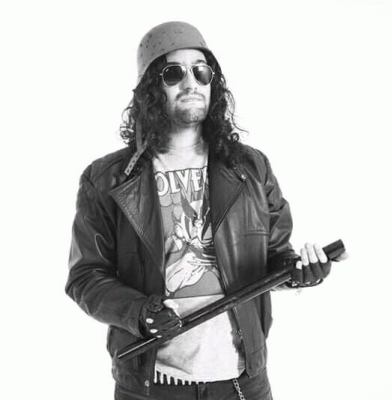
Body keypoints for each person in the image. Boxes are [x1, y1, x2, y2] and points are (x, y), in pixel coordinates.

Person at [66, 21, 333, 400]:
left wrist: (300, 273)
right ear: (151, 88)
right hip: (151, 386)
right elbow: (86, 277)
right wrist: (139, 312)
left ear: (213, 83)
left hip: (242, 383)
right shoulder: (106, 179)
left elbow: (275, 258)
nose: (191, 82)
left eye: (201, 71)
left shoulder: (251, 169)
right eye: (173, 73)